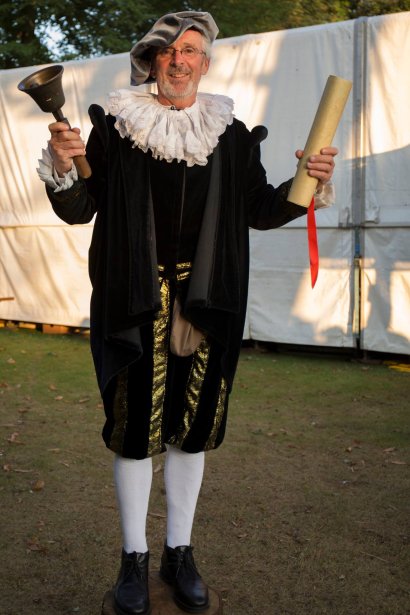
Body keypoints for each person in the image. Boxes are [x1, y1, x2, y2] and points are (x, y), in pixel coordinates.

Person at [38, 11, 337, 615]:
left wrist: (307, 180)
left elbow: (260, 209)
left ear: (206, 63)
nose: (179, 60)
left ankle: (180, 553)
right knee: (134, 433)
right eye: (168, 50)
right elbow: (81, 209)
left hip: (208, 299)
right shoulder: (117, 127)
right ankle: (133, 558)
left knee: (192, 429)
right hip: (132, 299)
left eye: (191, 50)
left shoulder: (229, 133)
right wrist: (65, 167)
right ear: (152, 62)